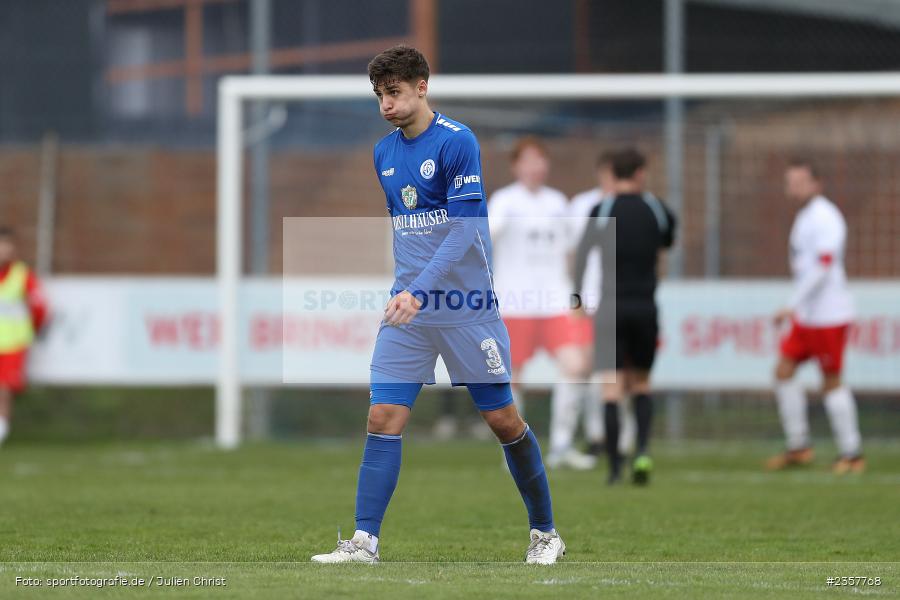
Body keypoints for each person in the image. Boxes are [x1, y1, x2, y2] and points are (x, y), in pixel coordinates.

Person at [310, 45, 564, 565]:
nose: (386, 104)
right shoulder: (383, 152)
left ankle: (545, 533)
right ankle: (364, 542)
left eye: (395, 92)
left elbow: (464, 233)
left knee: (503, 422)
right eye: (380, 95)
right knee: (383, 415)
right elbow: (409, 233)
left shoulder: (457, 142)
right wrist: (407, 292)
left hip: (466, 307)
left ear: (421, 87)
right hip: (409, 312)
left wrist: (418, 290)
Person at [487, 137, 594, 470]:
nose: (535, 167)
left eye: (540, 160)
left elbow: (569, 254)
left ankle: (561, 445)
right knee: (513, 376)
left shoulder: (558, 203)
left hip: (554, 302)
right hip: (515, 303)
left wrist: (576, 296)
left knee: (575, 366)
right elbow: (484, 240)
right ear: (516, 166)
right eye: (528, 161)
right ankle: (515, 450)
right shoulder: (504, 201)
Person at [572, 149, 676, 485]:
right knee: (642, 384)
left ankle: (615, 466)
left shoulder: (601, 210)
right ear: (641, 173)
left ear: (612, 174)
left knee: (611, 390)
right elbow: (667, 241)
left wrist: (577, 299)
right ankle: (642, 452)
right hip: (645, 306)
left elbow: (582, 257)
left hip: (610, 308)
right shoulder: (656, 209)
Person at [766, 159, 863, 474]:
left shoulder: (826, 216)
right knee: (782, 371)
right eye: (790, 182)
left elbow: (824, 266)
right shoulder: (804, 216)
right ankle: (799, 447)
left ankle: (852, 453)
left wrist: (792, 304)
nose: (793, 188)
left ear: (816, 183)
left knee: (831, 382)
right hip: (808, 317)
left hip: (828, 315)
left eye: (799, 182)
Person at [569, 151, 636, 458]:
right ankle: (597, 435)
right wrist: (576, 298)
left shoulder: (633, 208)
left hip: (620, 300)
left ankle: (623, 439)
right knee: (588, 368)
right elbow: (574, 255)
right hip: (589, 302)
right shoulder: (583, 205)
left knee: (620, 371)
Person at [0, 226, 48, 447]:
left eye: (7, 245)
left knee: (3, 390)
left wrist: (33, 329)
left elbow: (39, 306)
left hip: (12, 345)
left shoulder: (22, 275)